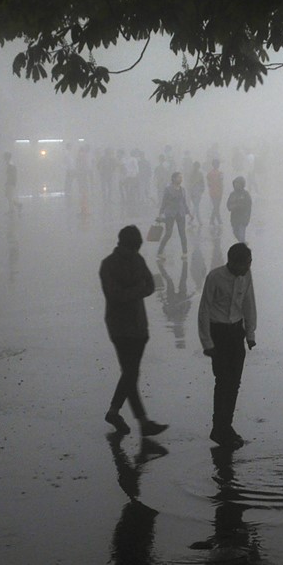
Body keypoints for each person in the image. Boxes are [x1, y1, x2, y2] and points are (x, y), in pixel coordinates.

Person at [99, 225, 168, 436]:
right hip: (122, 326)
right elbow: (116, 295)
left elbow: (150, 286)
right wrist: (136, 290)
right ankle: (142, 421)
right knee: (130, 372)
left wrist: (132, 290)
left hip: (136, 325)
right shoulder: (110, 265)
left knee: (130, 373)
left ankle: (115, 412)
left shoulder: (132, 261)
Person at [198, 243, 258, 448]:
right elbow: (204, 309)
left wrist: (250, 333)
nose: (248, 267)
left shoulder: (246, 276)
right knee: (223, 382)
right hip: (219, 333)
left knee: (234, 383)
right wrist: (207, 342)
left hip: (236, 332)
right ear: (233, 262)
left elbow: (249, 302)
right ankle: (218, 428)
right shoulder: (214, 278)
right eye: (246, 264)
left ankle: (226, 425)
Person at [156, 171, 190, 259]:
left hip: (181, 213)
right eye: (179, 177)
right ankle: (160, 252)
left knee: (182, 233)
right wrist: (160, 213)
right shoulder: (168, 189)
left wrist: (188, 212)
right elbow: (164, 202)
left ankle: (185, 252)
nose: (181, 179)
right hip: (170, 213)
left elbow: (184, 202)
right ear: (174, 178)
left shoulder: (182, 189)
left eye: (181, 177)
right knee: (168, 233)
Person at [225, 175, 253, 243]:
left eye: (238, 184)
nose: (236, 185)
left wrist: (239, 206)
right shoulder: (232, 194)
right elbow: (228, 205)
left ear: (242, 184)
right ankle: (244, 244)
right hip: (234, 219)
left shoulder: (245, 194)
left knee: (241, 235)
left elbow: (248, 205)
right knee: (235, 233)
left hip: (243, 218)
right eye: (235, 184)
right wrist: (232, 207)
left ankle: (243, 249)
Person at [206, 158, 225, 226]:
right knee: (216, 206)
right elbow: (221, 183)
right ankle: (216, 220)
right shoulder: (220, 173)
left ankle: (215, 220)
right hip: (218, 192)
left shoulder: (209, 174)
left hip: (212, 192)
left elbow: (208, 184)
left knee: (215, 206)